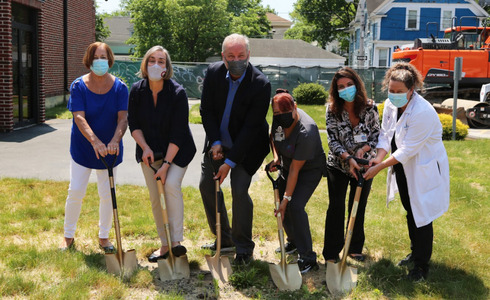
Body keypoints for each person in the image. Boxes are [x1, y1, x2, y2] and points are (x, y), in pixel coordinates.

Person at [363, 62, 450, 281]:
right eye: (391, 91)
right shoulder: (392, 106)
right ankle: (415, 251)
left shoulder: (423, 112)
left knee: (422, 214)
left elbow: (408, 149)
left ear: (412, 90)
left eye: (399, 92)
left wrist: (380, 167)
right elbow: (385, 134)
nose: (394, 95)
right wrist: (378, 158)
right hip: (402, 166)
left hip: (423, 167)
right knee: (410, 211)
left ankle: (421, 266)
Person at [199, 33, 271, 265]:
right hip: (219, 142)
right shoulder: (213, 72)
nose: (237, 59)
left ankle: (243, 247)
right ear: (223, 57)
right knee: (207, 187)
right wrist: (216, 142)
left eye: (241, 55)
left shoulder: (260, 84)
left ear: (249, 55)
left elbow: (251, 128)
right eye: (231, 56)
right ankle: (224, 238)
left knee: (239, 191)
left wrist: (229, 163)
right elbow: (206, 110)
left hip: (248, 147)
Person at [128, 46, 196, 262]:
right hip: (149, 152)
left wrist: (166, 164)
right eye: (152, 60)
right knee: (156, 197)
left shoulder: (177, 93)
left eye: (161, 61)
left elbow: (178, 132)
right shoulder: (137, 91)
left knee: (170, 185)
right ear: (145, 64)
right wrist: (145, 148)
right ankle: (165, 244)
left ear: (167, 68)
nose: (156, 65)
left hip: (178, 151)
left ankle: (176, 242)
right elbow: (134, 124)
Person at [61, 42, 128, 252]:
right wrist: (95, 142)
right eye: (96, 57)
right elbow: (79, 117)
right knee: (76, 191)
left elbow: (123, 118)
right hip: (83, 148)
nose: (101, 61)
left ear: (110, 59)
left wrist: (115, 140)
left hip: (110, 150)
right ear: (89, 60)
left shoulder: (120, 87)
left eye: (104, 56)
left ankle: (104, 237)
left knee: (107, 193)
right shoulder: (78, 86)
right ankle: (68, 236)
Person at [323, 67, 380, 263]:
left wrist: (362, 152)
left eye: (349, 85)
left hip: (364, 165)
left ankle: (354, 246)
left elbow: (375, 136)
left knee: (358, 205)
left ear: (356, 84)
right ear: (335, 90)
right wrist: (348, 158)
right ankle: (331, 251)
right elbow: (332, 140)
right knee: (336, 207)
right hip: (338, 164)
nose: (345, 89)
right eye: (341, 87)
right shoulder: (332, 109)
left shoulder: (371, 108)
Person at [266, 89, 325, 274]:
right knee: (282, 207)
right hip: (287, 164)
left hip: (308, 169)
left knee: (294, 206)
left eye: (285, 112)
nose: (280, 116)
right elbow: (273, 137)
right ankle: (293, 241)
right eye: (276, 113)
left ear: (295, 107)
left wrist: (286, 199)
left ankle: (308, 257)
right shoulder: (278, 115)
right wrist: (276, 158)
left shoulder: (307, 131)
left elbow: (295, 170)